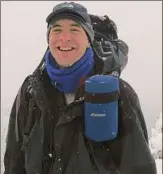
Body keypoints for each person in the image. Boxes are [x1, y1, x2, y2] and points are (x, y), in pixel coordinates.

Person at [4, 2, 157, 174]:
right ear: (49, 39)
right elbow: (14, 162)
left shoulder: (118, 94)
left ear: (88, 40)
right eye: (57, 30)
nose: (64, 37)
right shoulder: (30, 91)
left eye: (75, 29)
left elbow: (140, 167)